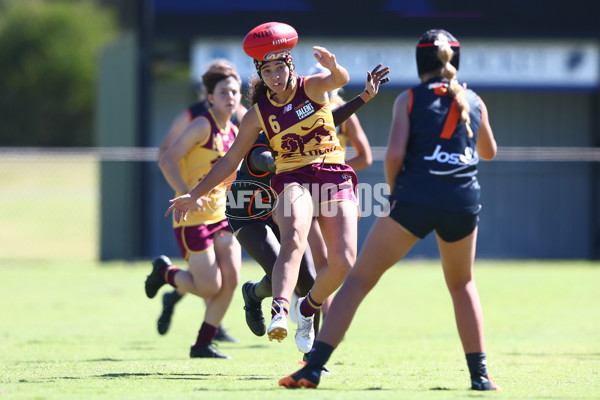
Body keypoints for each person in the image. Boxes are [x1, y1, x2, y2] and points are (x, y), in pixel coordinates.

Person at [279, 29, 501, 391]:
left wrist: (397, 194)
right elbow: (488, 151)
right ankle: (480, 376)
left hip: (414, 199)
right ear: (454, 62)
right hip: (462, 201)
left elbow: (394, 154)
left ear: (420, 64)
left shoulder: (409, 100)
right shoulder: (473, 100)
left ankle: (312, 368)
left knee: (358, 280)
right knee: (462, 283)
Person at [167, 23, 369, 356]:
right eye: (268, 69)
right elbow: (244, 159)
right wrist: (196, 191)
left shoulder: (311, 96)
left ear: (291, 66)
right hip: (248, 208)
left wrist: (343, 79)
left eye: (280, 67)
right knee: (286, 258)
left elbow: (335, 102)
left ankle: (296, 333)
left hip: (298, 190)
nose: (275, 75)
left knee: (311, 278)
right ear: (261, 75)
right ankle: (276, 310)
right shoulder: (257, 119)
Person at [230, 65, 389, 342]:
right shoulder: (263, 128)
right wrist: (291, 163)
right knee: (284, 271)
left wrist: (363, 97)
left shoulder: (298, 114)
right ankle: (255, 295)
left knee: (308, 280)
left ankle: (312, 357)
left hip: (290, 200)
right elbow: (262, 160)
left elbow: (325, 121)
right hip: (250, 211)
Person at [145, 60, 243, 359]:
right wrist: (187, 193)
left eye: (235, 92)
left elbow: (231, 175)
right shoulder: (202, 125)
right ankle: (165, 273)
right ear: (210, 97)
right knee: (210, 287)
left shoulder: (236, 132)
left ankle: (202, 344)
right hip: (192, 219)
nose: (231, 97)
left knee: (232, 280)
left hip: (222, 217)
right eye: (224, 92)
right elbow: (167, 159)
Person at [303, 62, 376, 320]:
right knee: (320, 260)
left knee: (337, 262)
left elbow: (365, 157)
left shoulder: (344, 113)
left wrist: (333, 170)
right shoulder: (299, 114)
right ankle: (321, 320)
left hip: (333, 190)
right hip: (302, 189)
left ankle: (319, 317)